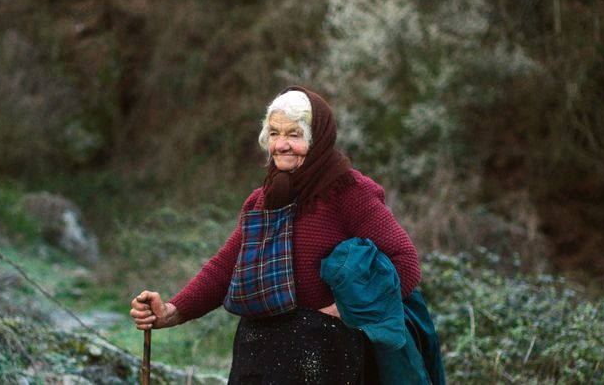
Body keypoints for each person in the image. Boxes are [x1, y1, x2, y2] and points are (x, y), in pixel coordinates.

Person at [130, 86, 422, 383]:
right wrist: (171, 311)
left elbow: (405, 263)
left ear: (317, 139)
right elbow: (224, 268)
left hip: (323, 355)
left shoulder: (347, 192)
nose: (281, 145)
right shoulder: (263, 199)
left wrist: (346, 311)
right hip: (258, 351)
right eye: (273, 133)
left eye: (294, 135)